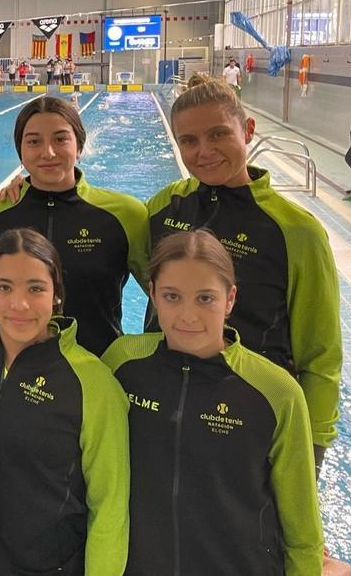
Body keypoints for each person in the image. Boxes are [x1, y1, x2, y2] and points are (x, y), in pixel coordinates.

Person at [147, 76, 341, 470]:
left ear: (248, 130)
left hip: (250, 414)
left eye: (218, 134)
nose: (204, 152)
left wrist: (313, 445)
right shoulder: (163, 209)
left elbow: (320, 352)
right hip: (164, 403)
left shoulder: (295, 230)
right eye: (188, 141)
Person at [103, 230, 323, 575]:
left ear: (230, 299)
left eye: (205, 299)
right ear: (152, 295)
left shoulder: (275, 391)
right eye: (172, 296)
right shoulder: (122, 364)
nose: (188, 316)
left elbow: (302, 531)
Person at [0, 228, 129, 575]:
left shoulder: (91, 383)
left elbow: (110, 505)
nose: (19, 305)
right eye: (4, 287)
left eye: (36, 288)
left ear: (56, 294)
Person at [0, 96, 148, 353]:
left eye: (60, 139)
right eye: (33, 141)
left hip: (99, 368)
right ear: (20, 151)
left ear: (79, 146)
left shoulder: (125, 214)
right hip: (15, 369)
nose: (48, 152)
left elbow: (164, 292)